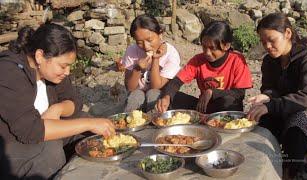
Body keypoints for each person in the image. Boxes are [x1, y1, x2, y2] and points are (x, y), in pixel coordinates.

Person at [0, 23, 115, 179]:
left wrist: (58, 109)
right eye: (63, 66)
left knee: (85, 123)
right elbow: (31, 131)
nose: (67, 72)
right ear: (40, 56)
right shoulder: (9, 72)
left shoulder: (51, 73)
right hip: (10, 148)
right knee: (51, 148)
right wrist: (90, 124)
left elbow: (75, 101)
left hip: (39, 134)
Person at [247, 13, 307, 178]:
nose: (267, 46)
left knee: (297, 126)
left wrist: (271, 104)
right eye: (263, 42)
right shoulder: (269, 61)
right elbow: (269, 88)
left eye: (271, 40)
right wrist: (267, 97)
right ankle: (263, 165)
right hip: (284, 104)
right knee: (258, 121)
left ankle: (292, 172)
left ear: (287, 33)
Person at [156, 21, 252, 114]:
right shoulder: (198, 60)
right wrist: (167, 97)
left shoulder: (237, 60)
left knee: (229, 100)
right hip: (203, 107)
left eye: (212, 48)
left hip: (226, 109)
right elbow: (177, 81)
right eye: (204, 47)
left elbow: (239, 93)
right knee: (163, 95)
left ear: (226, 46)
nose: (207, 52)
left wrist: (212, 92)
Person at [121, 14, 181, 113]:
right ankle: (130, 124)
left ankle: (155, 125)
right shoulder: (132, 51)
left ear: (160, 34)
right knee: (136, 96)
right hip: (136, 92)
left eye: (150, 40)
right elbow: (130, 88)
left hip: (160, 94)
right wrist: (137, 69)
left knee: (153, 94)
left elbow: (156, 87)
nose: (146, 46)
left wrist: (155, 59)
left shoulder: (171, 54)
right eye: (139, 42)